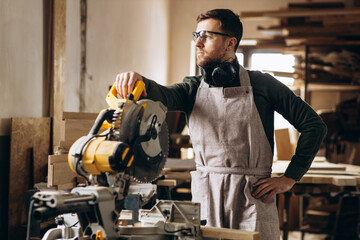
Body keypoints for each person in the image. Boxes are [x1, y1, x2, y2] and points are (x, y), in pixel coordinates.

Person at [115, 9, 327, 239]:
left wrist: (290, 177)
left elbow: (314, 125)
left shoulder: (263, 85)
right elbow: (162, 94)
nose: (198, 43)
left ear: (230, 43)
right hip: (207, 197)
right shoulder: (192, 88)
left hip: (252, 198)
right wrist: (140, 82)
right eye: (196, 36)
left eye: (206, 36)